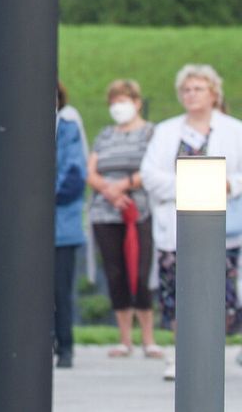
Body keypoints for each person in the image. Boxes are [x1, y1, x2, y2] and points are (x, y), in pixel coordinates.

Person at [140, 64, 242, 380]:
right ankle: (179, 355)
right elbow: (150, 174)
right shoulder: (167, 130)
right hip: (176, 227)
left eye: (198, 88)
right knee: (176, 294)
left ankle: (210, 356)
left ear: (213, 93)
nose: (191, 95)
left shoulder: (234, 130)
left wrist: (223, 185)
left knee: (220, 297)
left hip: (221, 228)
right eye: (186, 89)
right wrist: (193, 184)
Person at [86, 79, 161, 359]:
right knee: (115, 272)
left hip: (138, 211)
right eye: (114, 102)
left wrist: (125, 185)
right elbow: (90, 171)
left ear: (137, 102)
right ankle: (125, 338)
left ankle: (149, 337)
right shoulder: (105, 135)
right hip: (106, 212)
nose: (118, 107)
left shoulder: (151, 133)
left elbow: (155, 167)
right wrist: (109, 190)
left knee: (140, 273)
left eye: (124, 101)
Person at [54, 82, 88, 369]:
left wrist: (34, 201)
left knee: (59, 292)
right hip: (25, 233)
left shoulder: (67, 129)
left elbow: (74, 176)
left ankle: (65, 347)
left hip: (60, 229)